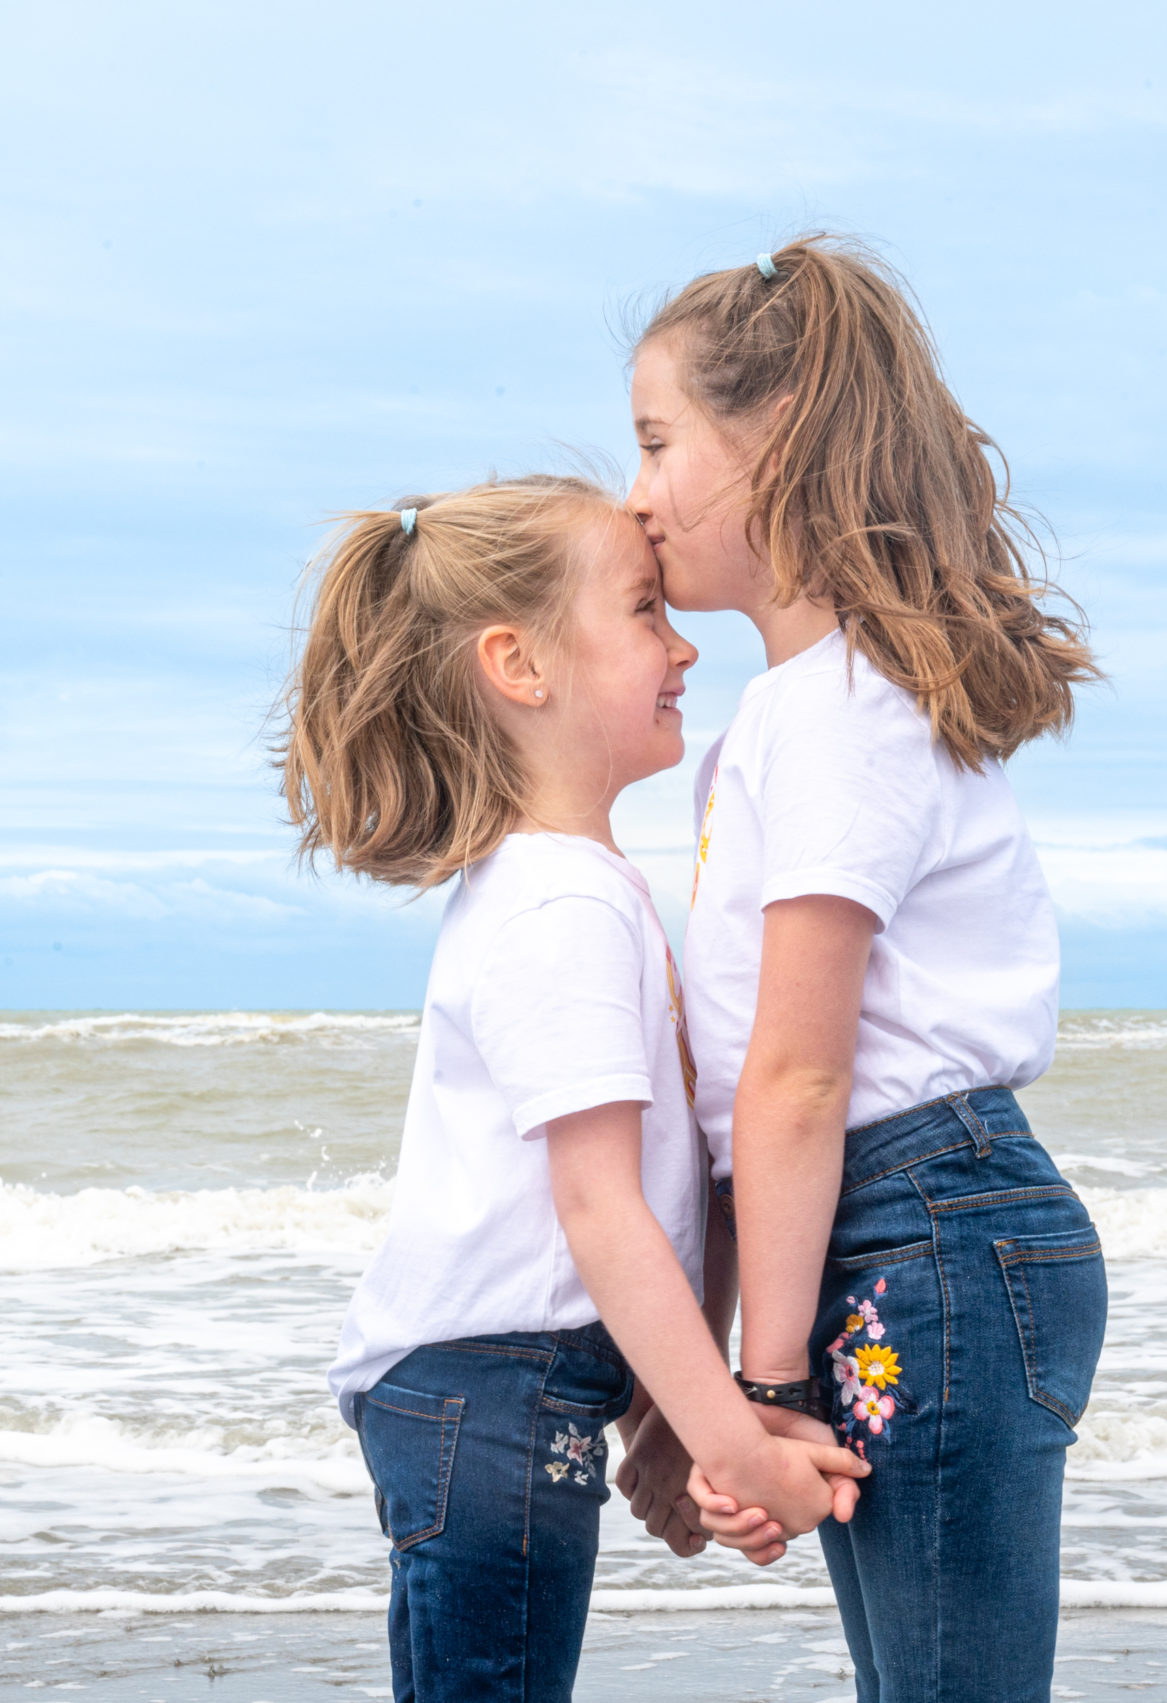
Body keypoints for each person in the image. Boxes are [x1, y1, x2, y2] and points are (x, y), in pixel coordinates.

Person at [281, 475, 866, 1703]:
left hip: (493, 1393)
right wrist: (731, 1446)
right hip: (488, 1395)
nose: (683, 642)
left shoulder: (572, 886)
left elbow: (676, 1186)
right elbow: (599, 1209)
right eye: (646, 610)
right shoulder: (558, 903)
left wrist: (667, 1416)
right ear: (520, 665)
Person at [625, 238, 1112, 1702]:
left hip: (933, 1234)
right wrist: (700, 1401)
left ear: (773, 445)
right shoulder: (786, 720)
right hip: (895, 1234)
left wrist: (760, 1392)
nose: (635, 494)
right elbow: (745, 1109)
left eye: (657, 444)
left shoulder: (838, 711)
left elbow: (797, 1076)